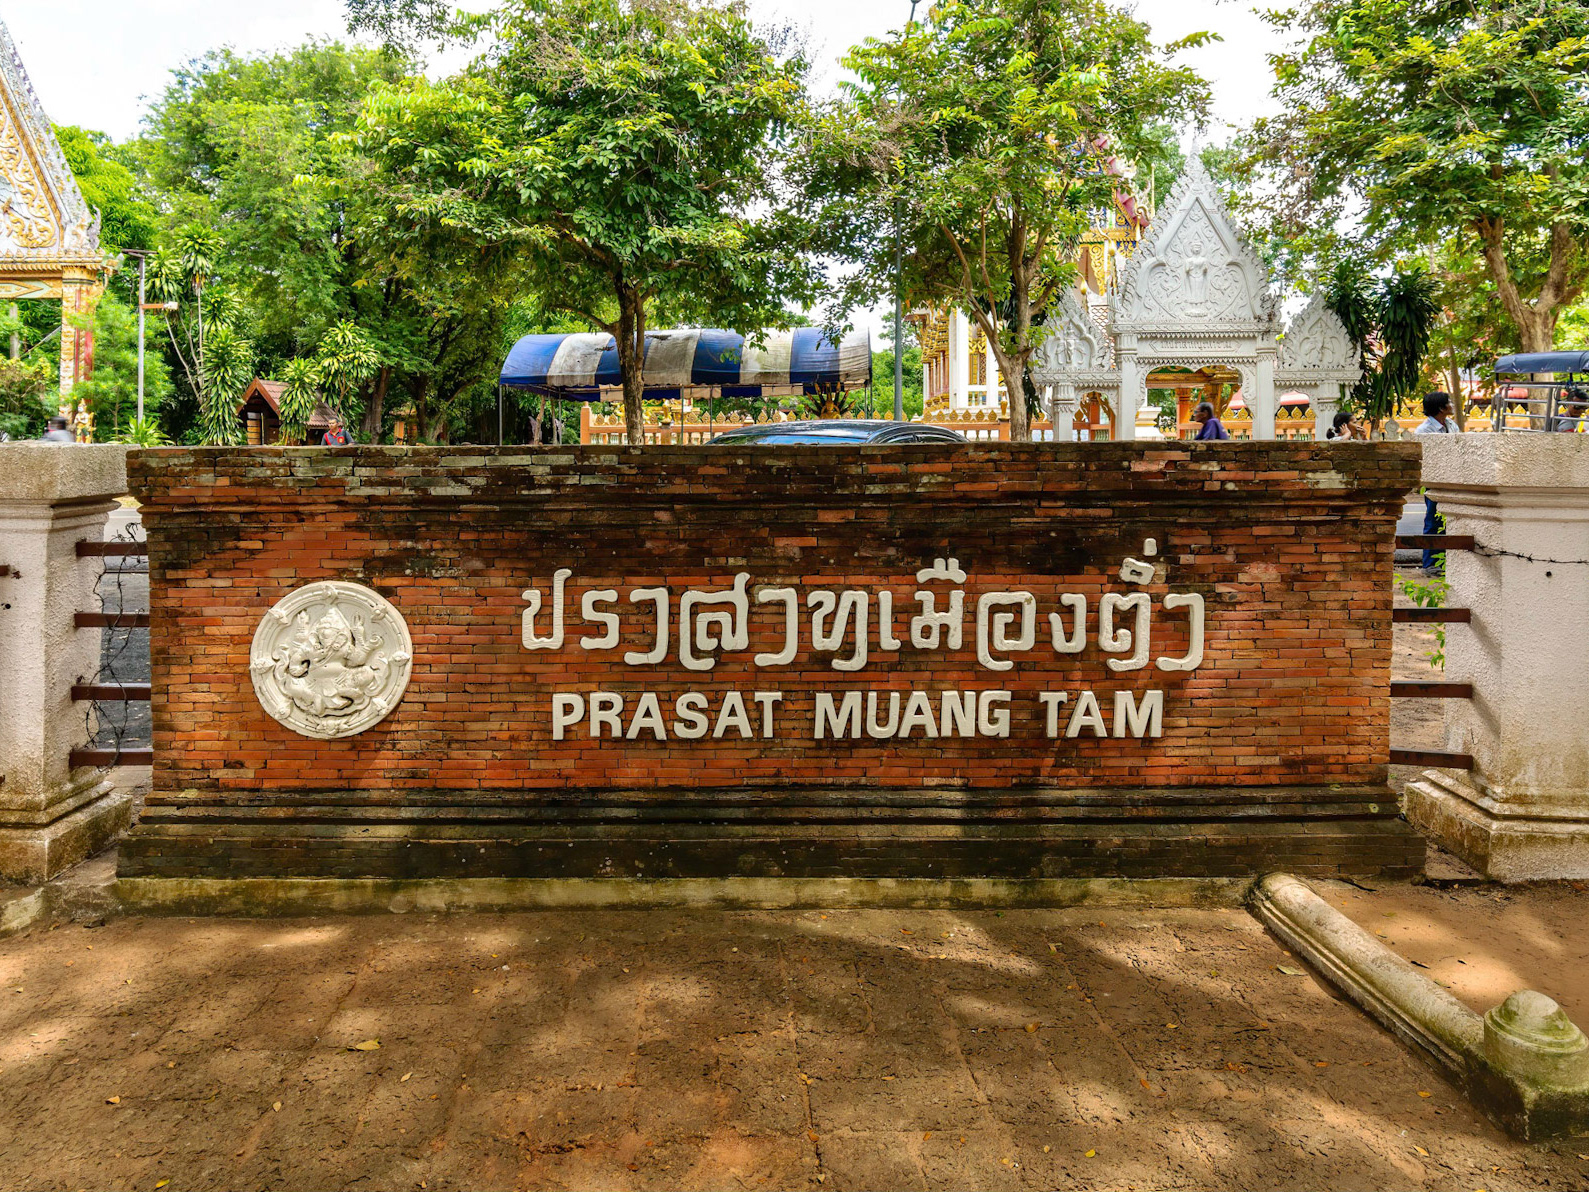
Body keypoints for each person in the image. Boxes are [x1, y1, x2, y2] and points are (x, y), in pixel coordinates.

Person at [1411, 392, 1459, 572]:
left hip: (1452, 478)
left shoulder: (1451, 425)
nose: (1452, 404)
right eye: (1448, 402)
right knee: (1433, 520)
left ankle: (1445, 561)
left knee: (1450, 520)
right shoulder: (1424, 431)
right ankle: (1430, 564)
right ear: (1441, 408)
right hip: (1434, 480)